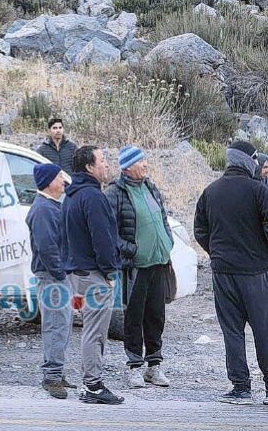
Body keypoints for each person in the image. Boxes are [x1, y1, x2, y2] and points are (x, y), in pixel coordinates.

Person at [194, 140, 268, 405]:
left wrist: (217, 254)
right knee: (264, 331)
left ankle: (240, 388)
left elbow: (200, 231)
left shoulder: (210, 191)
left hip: (222, 273)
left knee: (232, 331)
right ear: (248, 161)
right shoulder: (258, 191)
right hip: (254, 273)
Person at [104, 146, 173, 389]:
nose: (145, 164)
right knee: (134, 317)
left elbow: (162, 216)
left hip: (158, 262)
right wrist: (131, 250)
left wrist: (167, 240)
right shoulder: (115, 192)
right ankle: (134, 366)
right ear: (128, 167)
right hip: (135, 266)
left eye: (144, 160)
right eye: (140, 161)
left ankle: (154, 366)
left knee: (156, 315)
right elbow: (109, 231)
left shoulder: (150, 187)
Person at [61, 145, 124, 405]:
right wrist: (109, 272)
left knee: (91, 329)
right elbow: (103, 239)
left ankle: (92, 383)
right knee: (95, 332)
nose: (106, 164)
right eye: (102, 160)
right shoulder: (93, 197)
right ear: (89, 166)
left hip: (78, 272)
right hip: (93, 274)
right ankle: (93, 386)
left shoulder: (71, 195)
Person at [26, 163, 72, 399]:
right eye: (59, 177)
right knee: (56, 325)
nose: (63, 181)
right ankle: (52, 377)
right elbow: (47, 248)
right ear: (49, 182)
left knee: (61, 325)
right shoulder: (44, 209)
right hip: (52, 277)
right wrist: (61, 274)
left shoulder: (51, 205)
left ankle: (56, 372)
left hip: (55, 276)